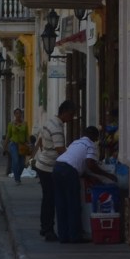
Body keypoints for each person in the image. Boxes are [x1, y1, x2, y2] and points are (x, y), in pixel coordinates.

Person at [52, 125, 115, 243]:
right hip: (69, 172)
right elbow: (90, 164)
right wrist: (107, 175)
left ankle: (63, 236)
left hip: (57, 167)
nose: (96, 140)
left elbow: (76, 162)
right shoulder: (91, 145)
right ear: (94, 136)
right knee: (73, 204)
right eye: (96, 138)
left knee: (61, 204)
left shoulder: (75, 143)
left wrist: (88, 176)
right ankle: (75, 236)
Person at [33, 99, 74, 240]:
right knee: (50, 199)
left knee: (47, 198)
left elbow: (40, 141)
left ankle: (45, 227)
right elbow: (60, 149)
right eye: (71, 114)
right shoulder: (57, 127)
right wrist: (73, 158)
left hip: (43, 164)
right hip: (48, 167)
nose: (72, 118)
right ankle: (48, 229)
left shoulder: (50, 121)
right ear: (65, 112)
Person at [4, 107, 31, 183]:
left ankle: (18, 175)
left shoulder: (25, 124)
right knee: (15, 160)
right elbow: (8, 136)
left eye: (19, 113)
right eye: (16, 113)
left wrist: (29, 144)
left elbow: (27, 135)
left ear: (21, 114)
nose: (18, 115)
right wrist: (5, 146)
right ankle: (17, 178)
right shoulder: (11, 124)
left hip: (22, 145)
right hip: (14, 144)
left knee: (22, 164)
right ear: (14, 115)